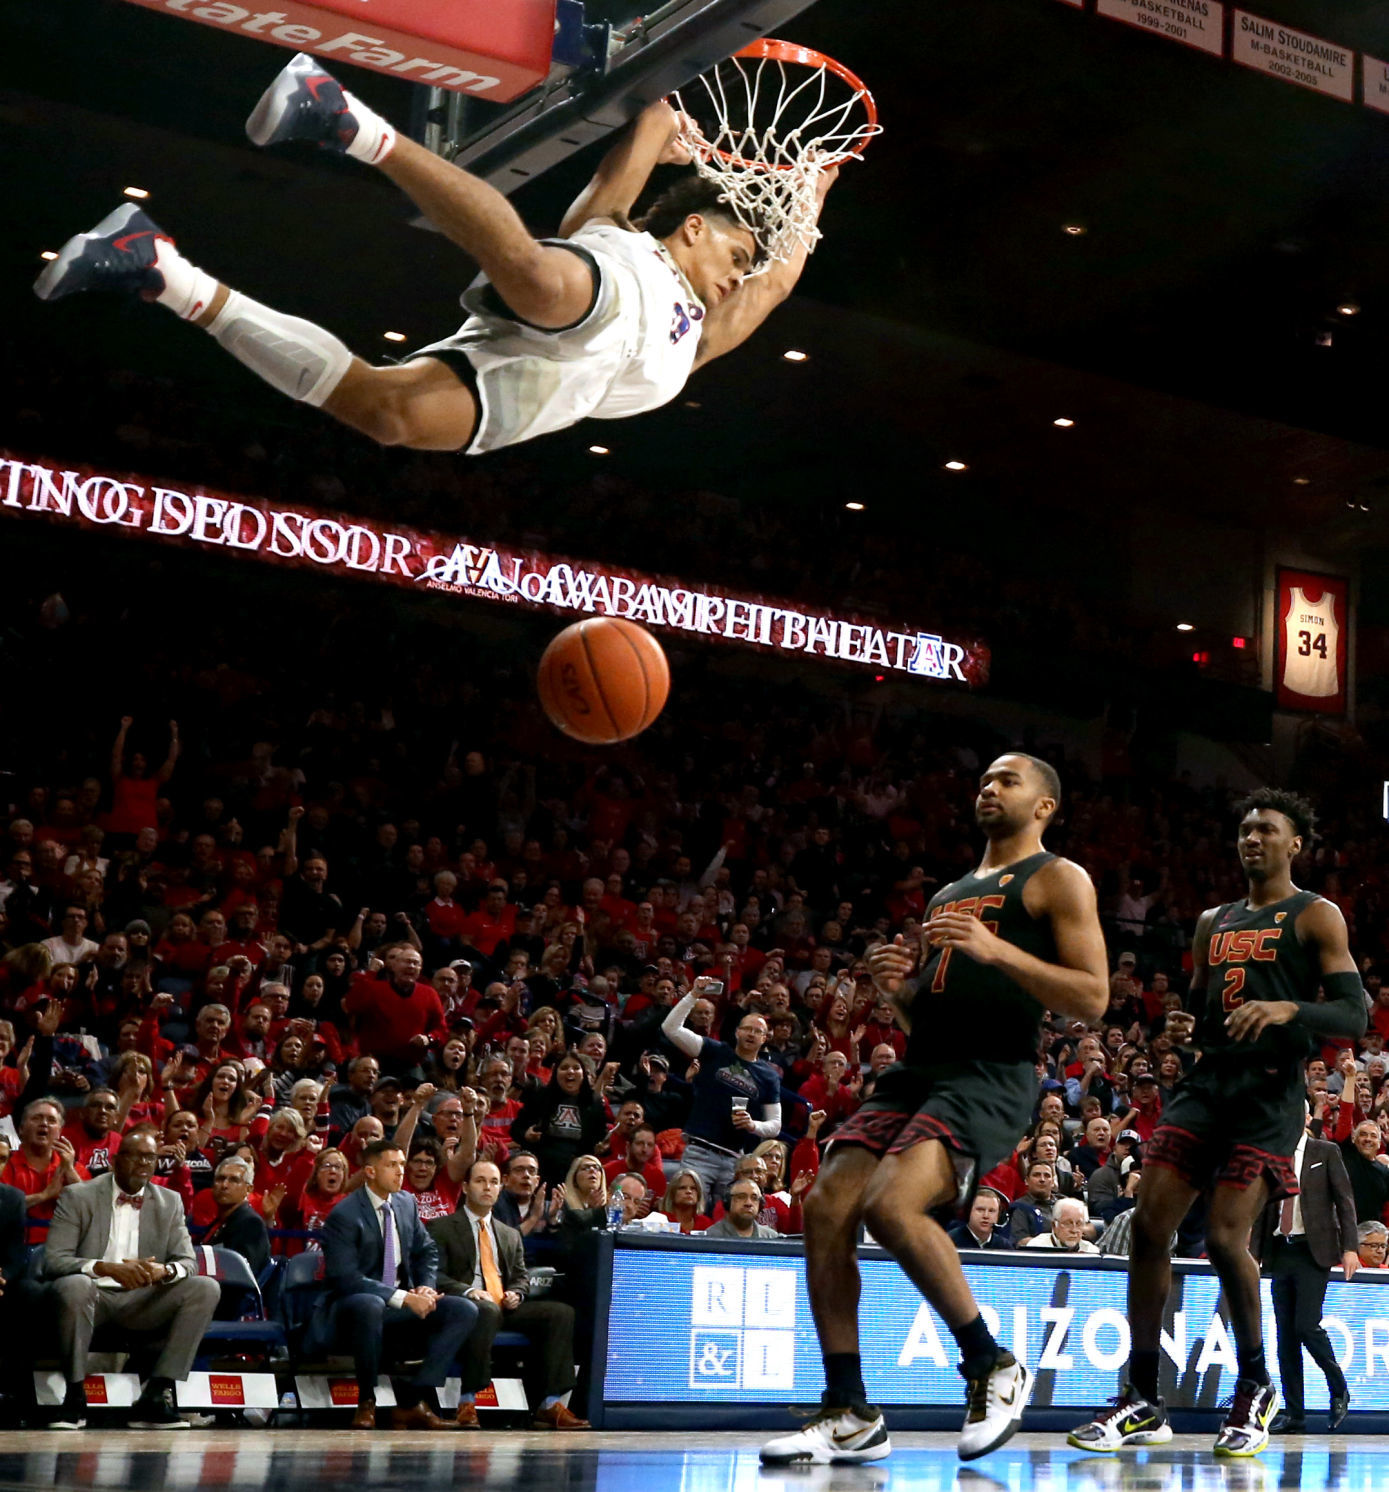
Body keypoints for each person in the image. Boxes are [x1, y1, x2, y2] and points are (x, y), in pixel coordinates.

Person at [761, 754, 1109, 1466]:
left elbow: (1091, 997)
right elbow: (934, 1014)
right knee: (827, 1205)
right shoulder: (947, 893)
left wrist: (995, 949)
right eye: (983, 778)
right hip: (924, 1068)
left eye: (1007, 780)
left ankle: (991, 1364)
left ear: (1044, 805)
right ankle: (848, 1411)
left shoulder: (1057, 878)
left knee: (891, 1206)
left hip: (991, 1072)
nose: (988, 787)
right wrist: (898, 993)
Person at [1069, 788, 1366, 1458]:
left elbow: (1352, 1015)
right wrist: (1184, 1028)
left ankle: (1254, 1386)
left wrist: (1289, 1011)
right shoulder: (1212, 921)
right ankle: (1142, 1396)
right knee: (1147, 1226)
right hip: (1206, 1088)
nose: (1251, 838)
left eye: (1265, 829)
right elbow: (1208, 1017)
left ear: (1294, 844)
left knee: (1229, 1239)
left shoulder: (1315, 916)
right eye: (1243, 829)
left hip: (1267, 1098)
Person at [43, 1130, 221, 1429]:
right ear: (116, 1159)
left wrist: (163, 1271)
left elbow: (188, 1262)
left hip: (143, 1302)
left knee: (205, 1288)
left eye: (150, 1157)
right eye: (135, 1156)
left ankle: (154, 1395)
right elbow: (54, 1261)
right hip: (92, 1298)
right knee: (75, 1284)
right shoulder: (79, 1195)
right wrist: (107, 1268)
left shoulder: (170, 1201)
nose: (143, 1163)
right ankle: (74, 1396)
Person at [313, 1138, 478, 1429]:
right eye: (391, 1165)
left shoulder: (406, 1203)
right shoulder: (344, 1214)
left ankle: (412, 1400)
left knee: (464, 1310)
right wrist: (402, 1297)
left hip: (400, 1302)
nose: (400, 1171)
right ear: (371, 1172)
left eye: (402, 1164)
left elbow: (426, 1250)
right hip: (351, 1306)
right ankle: (366, 1401)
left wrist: (425, 1286)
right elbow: (346, 1278)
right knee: (370, 1303)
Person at [429, 1159, 587, 1430]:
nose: (487, 1188)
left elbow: (521, 1276)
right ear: (465, 1187)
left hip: (504, 1305)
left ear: (500, 1188)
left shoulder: (509, 1233)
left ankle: (549, 1404)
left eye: (493, 1182)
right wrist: (469, 1291)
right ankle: (468, 1400)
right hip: (466, 1306)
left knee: (561, 1313)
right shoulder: (442, 1227)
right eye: (480, 1181)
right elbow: (435, 1275)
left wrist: (516, 1293)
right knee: (486, 1310)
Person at [1252, 1121, 1357, 1434]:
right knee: (1285, 1338)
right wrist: (1255, 1252)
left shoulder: (1325, 1151)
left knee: (1306, 1325)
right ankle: (1295, 1414)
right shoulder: (1271, 1154)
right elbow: (1262, 1207)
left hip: (1313, 1252)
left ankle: (1338, 1388)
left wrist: (1350, 1247)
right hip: (1279, 1250)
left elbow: (1345, 1201)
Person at [662, 977, 782, 1210]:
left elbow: (775, 1125)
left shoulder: (769, 1077)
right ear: (737, 1032)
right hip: (699, 1151)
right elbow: (671, 1028)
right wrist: (694, 994)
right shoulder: (715, 1051)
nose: (751, 1034)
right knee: (690, 1212)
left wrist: (753, 1125)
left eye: (758, 1031)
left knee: (728, 1218)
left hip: (734, 1160)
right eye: (747, 1028)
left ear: (765, 1038)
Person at [201, 1155, 272, 1281]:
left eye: (234, 1180)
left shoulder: (251, 1224)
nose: (224, 1185)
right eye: (220, 1179)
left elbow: (243, 1274)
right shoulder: (220, 1222)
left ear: (248, 1189)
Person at [705, 1178, 778, 1240]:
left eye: (754, 1198)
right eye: (741, 1197)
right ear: (728, 1201)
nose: (748, 1203)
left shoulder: (771, 1237)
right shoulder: (710, 1236)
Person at [1021, 1196, 1099, 1253]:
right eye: (1068, 1223)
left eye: (1079, 1224)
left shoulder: (1091, 1251)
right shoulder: (1036, 1247)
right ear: (1054, 1225)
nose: (1074, 1230)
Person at [947, 1189, 1013, 1252]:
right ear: (968, 1212)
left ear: (999, 1216)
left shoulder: (1005, 1247)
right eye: (980, 1210)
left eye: (991, 1211)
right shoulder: (949, 1241)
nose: (986, 1216)